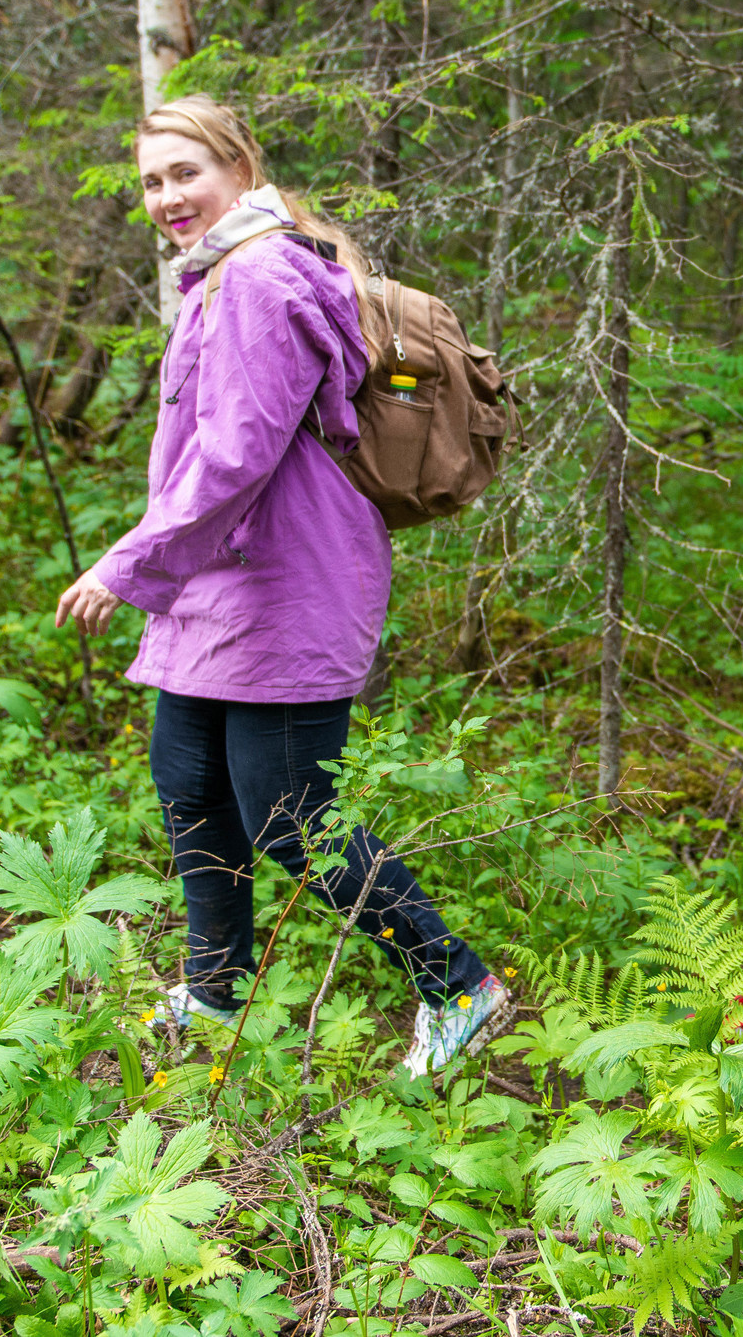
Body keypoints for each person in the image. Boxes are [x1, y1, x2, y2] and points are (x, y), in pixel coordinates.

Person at [53, 95, 510, 1079]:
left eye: (186, 172)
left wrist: (124, 564)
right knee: (189, 780)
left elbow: (238, 453)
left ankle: (458, 984)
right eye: (152, 181)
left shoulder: (259, 275)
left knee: (290, 813)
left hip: (286, 579)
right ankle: (215, 989)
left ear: (240, 167)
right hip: (221, 581)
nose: (167, 195)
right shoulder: (222, 273)